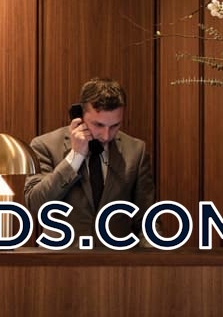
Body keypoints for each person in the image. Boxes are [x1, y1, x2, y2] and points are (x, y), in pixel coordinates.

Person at [23, 78, 156, 245]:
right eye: (98, 125)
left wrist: (154, 255)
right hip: (61, 257)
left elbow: (146, 219)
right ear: (79, 116)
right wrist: (75, 157)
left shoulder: (136, 151)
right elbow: (35, 203)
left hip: (117, 257)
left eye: (115, 126)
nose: (106, 135)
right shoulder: (45, 146)